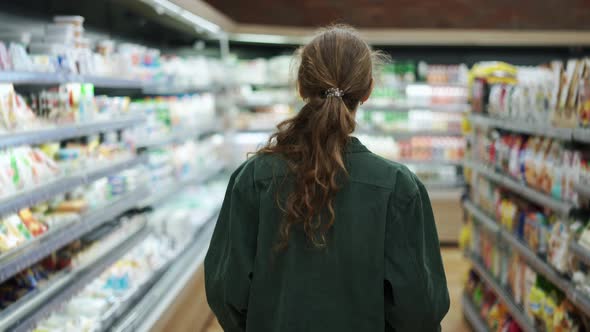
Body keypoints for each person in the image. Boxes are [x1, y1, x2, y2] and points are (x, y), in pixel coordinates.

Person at [204, 25, 450, 332]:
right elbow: (419, 308)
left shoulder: (252, 179)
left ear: (300, 87)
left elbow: (226, 291)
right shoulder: (399, 188)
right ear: (368, 90)